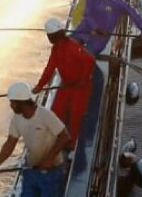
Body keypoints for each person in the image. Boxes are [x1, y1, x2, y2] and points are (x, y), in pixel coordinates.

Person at [0, 82, 70, 197]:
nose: (11, 105)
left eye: (13, 102)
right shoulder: (16, 119)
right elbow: (10, 144)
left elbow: (65, 136)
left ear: (21, 102)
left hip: (52, 171)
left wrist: (49, 158)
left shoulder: (45, 115)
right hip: (31, 169)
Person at [32, 18, 95, 149]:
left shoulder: (73, 47)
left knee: (75, 114)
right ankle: (56, 136)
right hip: (66, 85)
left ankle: (71, 143)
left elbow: (90, 60)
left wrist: (83, 80)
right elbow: (49, 68)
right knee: (56, 110)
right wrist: (39, 85)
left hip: (80, 87)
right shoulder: (55, 50)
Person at [74, 0, 142, 55]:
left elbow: (133, 13)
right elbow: (87, 15)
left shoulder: (117, 1)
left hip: (99, 39)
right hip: (84, 30)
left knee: (85, 56)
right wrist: (96, 28)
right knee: (69, 45)